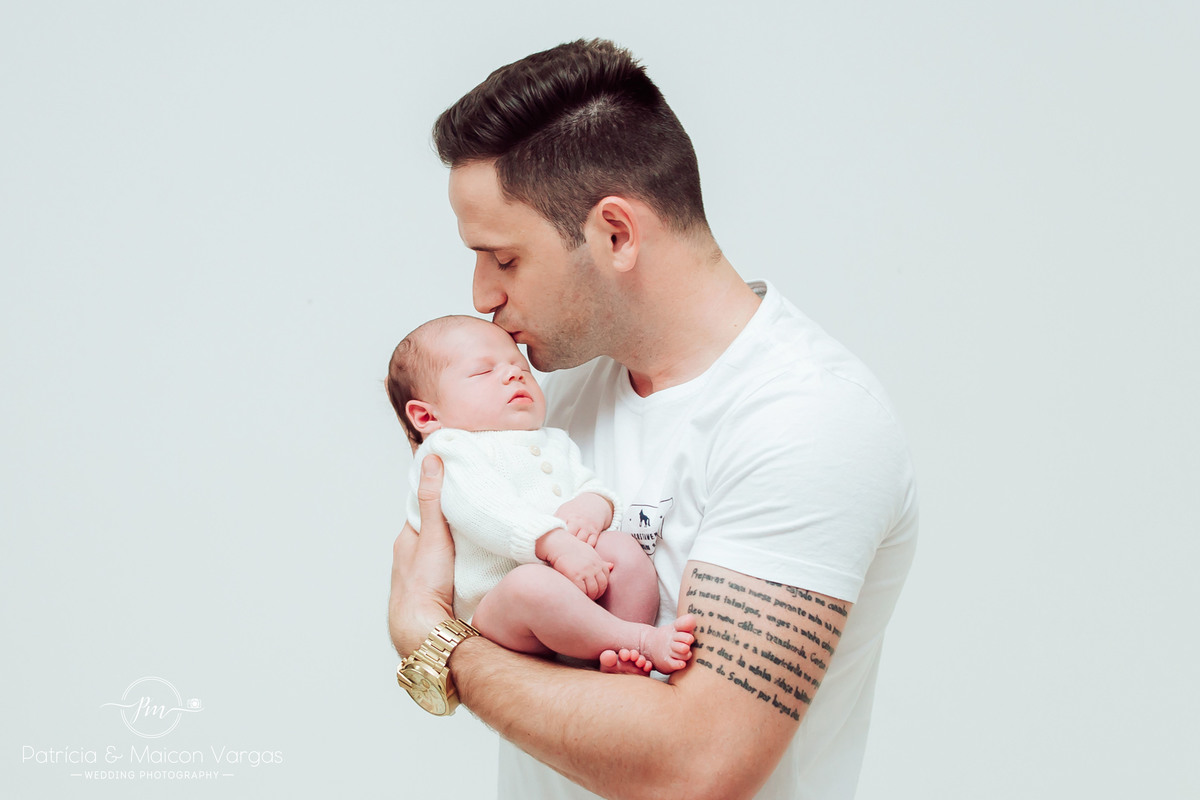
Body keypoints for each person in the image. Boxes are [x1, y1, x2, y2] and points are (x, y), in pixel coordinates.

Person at [389, 38, 918, 800]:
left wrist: (437, 644)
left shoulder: (808, 424)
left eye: (503, 259)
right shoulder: (550, 400)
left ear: (615, 233)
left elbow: (697, 767)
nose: (481, 297)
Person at [385, 314, 695, 672]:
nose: (513, 374)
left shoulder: (554, 440)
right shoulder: (449, 449)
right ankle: (638, 640)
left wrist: (593, 507)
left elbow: (588, 485)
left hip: (569, 584)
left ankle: (613, 660)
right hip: (498, 611)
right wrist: (554, 543)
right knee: (529, 584)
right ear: (426, 417)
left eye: (521, 367)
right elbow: (485, 510)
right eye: (483, 371)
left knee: (622, 550)